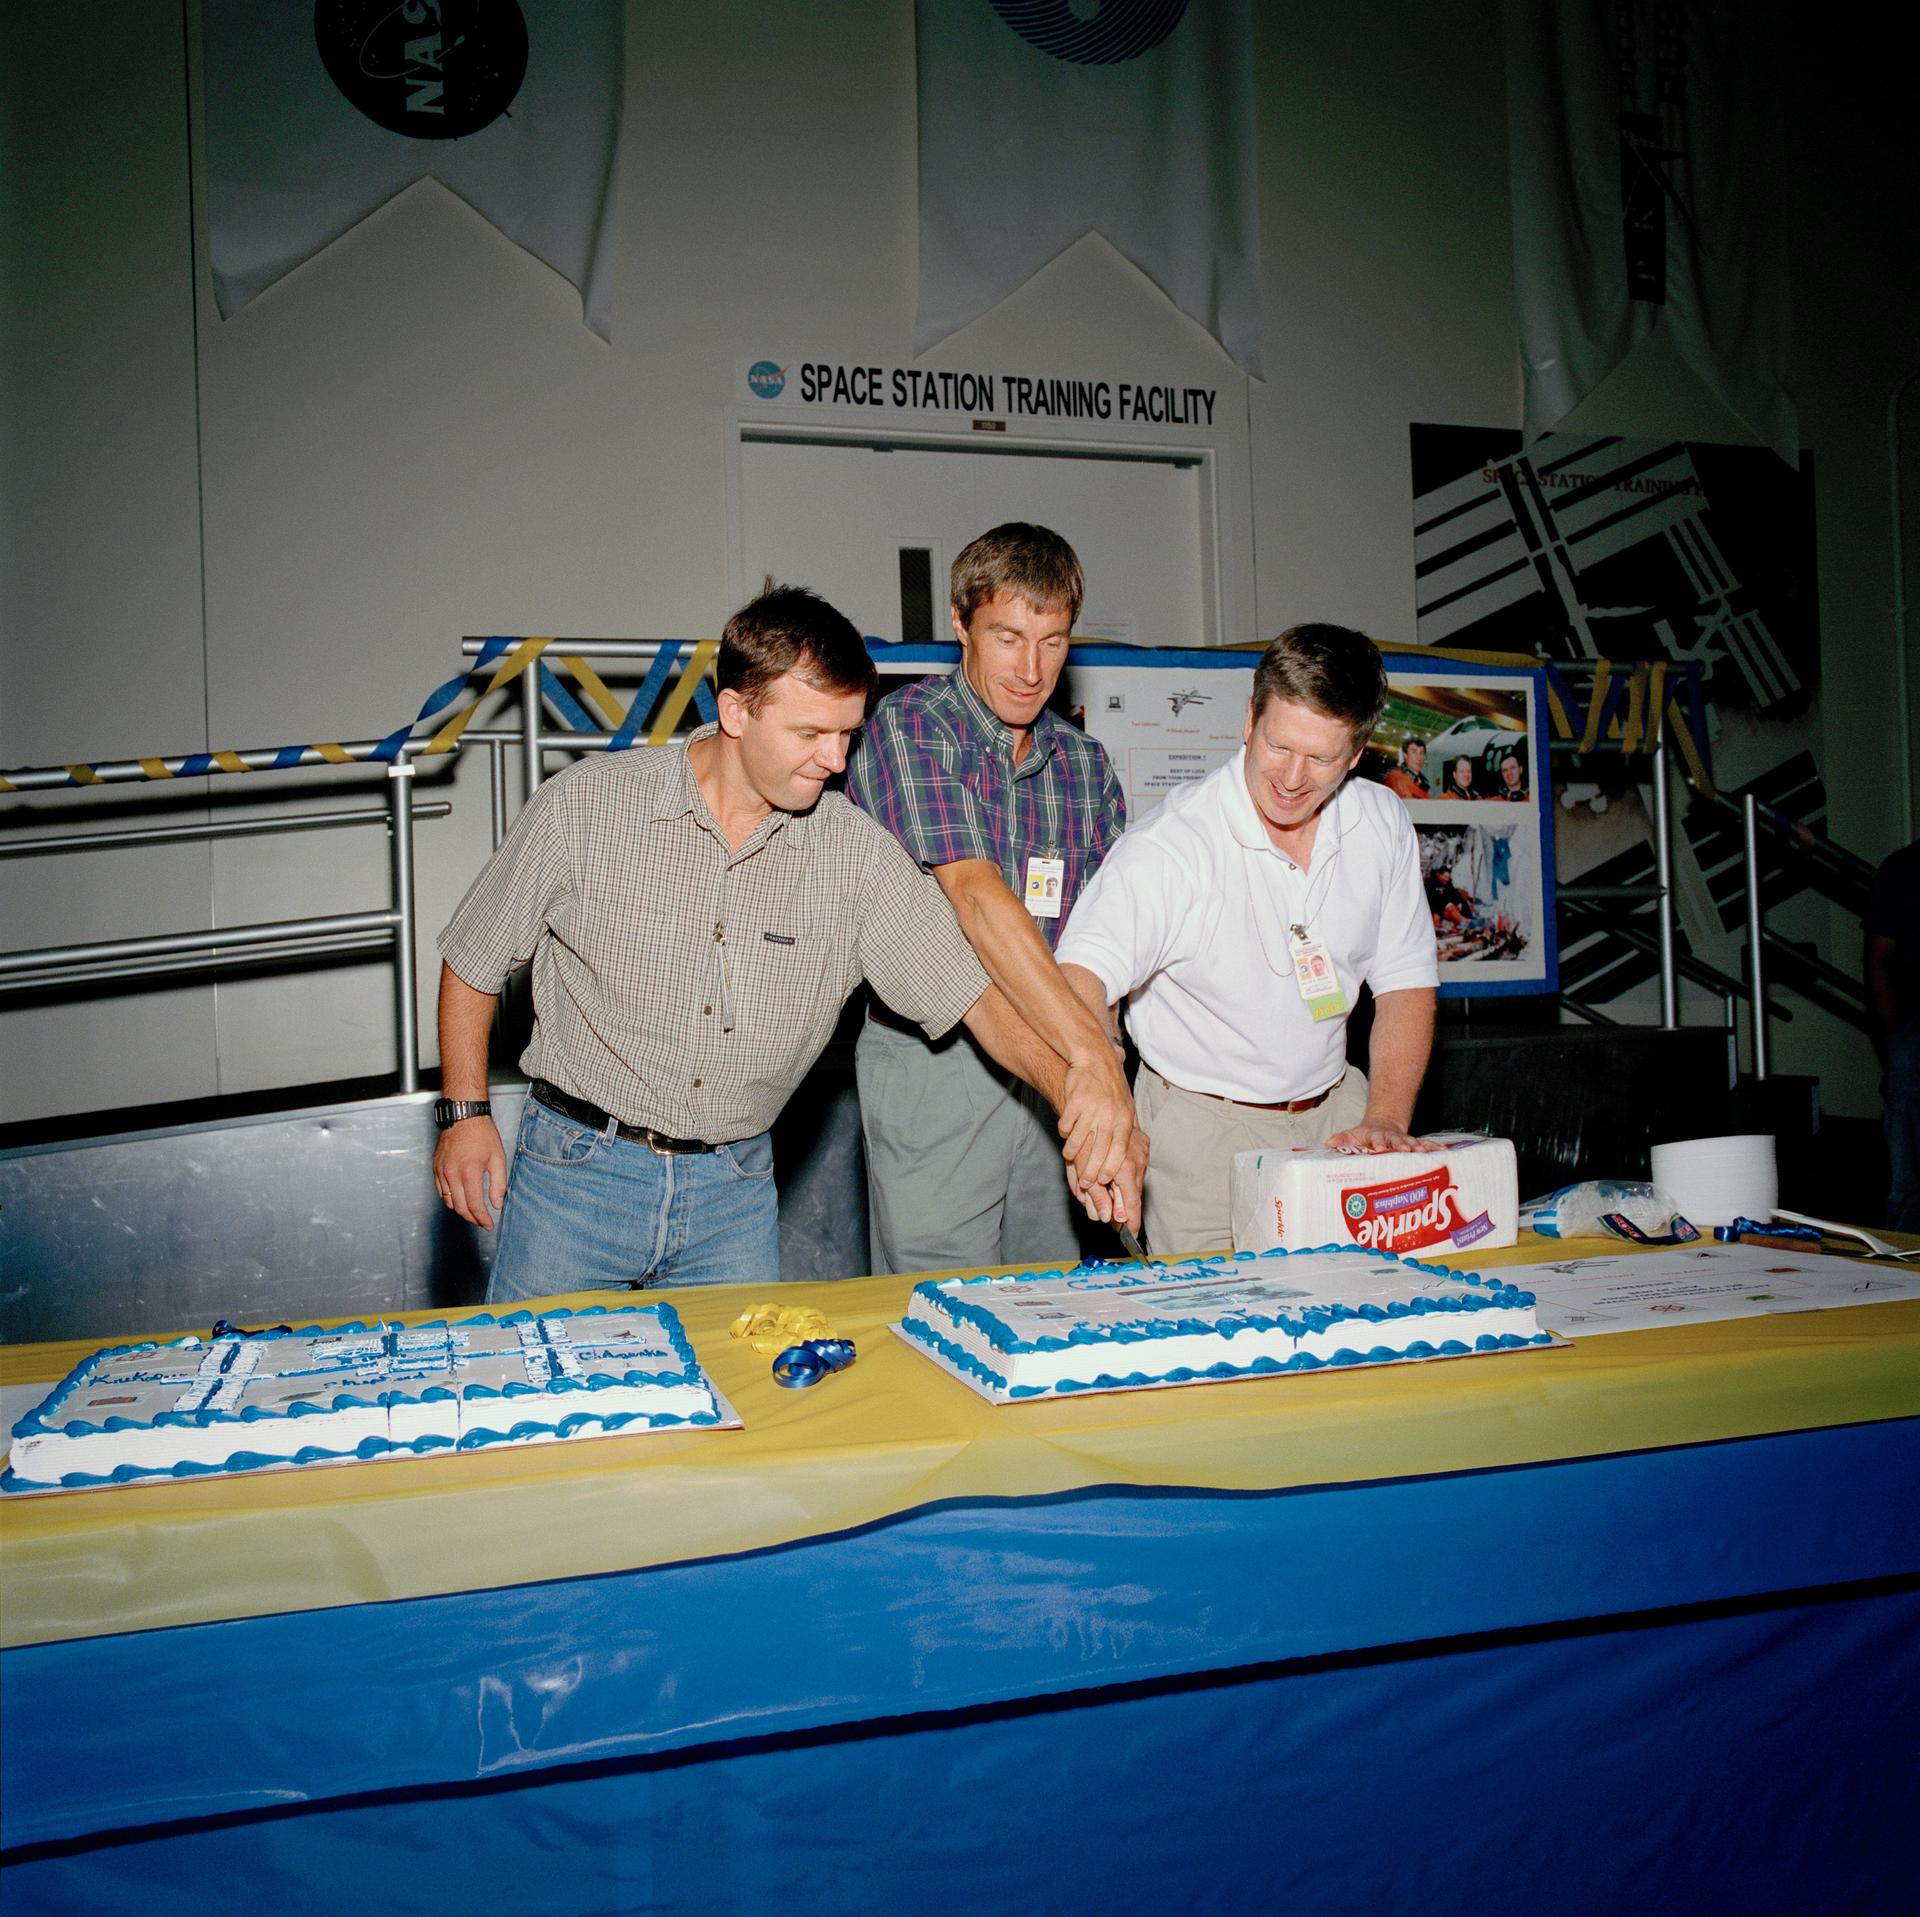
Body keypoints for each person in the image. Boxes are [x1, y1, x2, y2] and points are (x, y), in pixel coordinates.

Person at [432, 583, 1139, 1302]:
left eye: (847, 734)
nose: (835, 759)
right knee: (543, 1369)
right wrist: (465, 1114)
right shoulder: (587, 807)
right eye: (810, 734)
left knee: (743, 1377)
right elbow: (473, 958)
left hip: (731, 1195)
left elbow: (978, 1001)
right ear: (736, 711)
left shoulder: (856, 856)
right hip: (577, 1174)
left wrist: (1080, 1101)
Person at [1056, 623, 1440, 1256]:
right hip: (1202, 1140)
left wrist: (1385, 1118)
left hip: (1340, 1116)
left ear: (1356, 753)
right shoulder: (1174, 846)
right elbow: (1080, 978)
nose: (1291, 777)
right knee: (1220, 1313)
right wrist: (1107, 1103)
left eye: (1320, 759)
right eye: (1278, 745)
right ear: (1249, 720)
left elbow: (1405, 983)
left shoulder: (1382, 822)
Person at [846, 523, 1142, 1274]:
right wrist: (1095, 1066)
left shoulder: (1086, 765)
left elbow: (1107, 941)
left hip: (1060, 1062)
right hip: (939, 1063)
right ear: (960, 623)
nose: (1031, 669)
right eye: (1008, 638)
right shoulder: (910, 728)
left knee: (1053, 1298)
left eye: (1052, 641)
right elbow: (975, 898)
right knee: (939, 1301)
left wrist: (1102, 1070)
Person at [1865, 838, 1920, 1231]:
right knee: (1909, 1184)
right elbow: (1878, 958)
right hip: (1914, 1036)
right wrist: (1893, 1037)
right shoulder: (1906, 867)